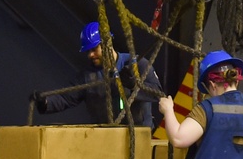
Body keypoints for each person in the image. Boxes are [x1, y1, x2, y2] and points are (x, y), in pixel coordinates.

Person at [32, 21, 162, 127]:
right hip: (106, 141)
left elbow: (157, 93)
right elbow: (66, 98)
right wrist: (45, 102)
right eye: (88, 51)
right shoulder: (88, 77)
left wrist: (134, 85)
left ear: (107, 43)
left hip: (138, 138)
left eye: (94, 49)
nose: (91, 55)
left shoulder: (137, 64)